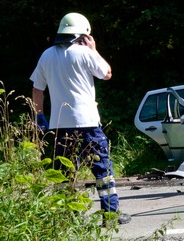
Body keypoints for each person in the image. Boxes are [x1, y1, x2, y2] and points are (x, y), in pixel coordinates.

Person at [30, 12, 131, 225]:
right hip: (87, 124)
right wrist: (94, 50)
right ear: (84, 34)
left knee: (64, 173)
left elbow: (37, 87)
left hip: (59, 125)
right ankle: (110, 216)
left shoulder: (46, 55)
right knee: (102, 170)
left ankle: (68, 218)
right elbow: (107, 74)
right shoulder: (85, 52)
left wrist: (39, 115)